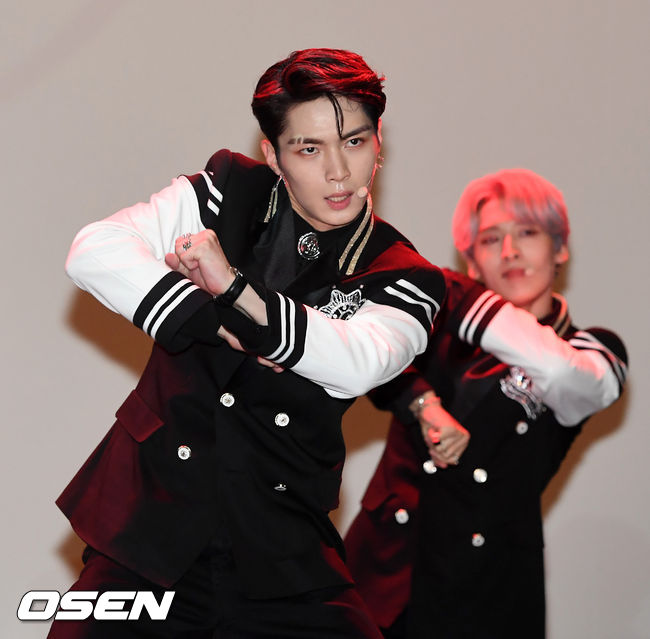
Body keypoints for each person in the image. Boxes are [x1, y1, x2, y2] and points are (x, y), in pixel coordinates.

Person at [50, 48, 446, 638]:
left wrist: (233, 289)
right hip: (148, 527)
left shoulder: (404, 275)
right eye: (309, 149)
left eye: (355, 142)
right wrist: (210, 318)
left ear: (378, 141)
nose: (339, 171)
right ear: (273, 155)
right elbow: (94, 250)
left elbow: (360, 361)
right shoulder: (227, 191)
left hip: (280, 548)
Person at [344, 168, 628, 639]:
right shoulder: (435, 327)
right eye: (491, 239)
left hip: (485, 587)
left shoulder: (589, 350)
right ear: (471, 260)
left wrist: (453, 293)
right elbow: (373, 359)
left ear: (560, 248)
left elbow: (564, 375)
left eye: (528, 233)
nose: (510, 251)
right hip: (387, 569)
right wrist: (424, 405)